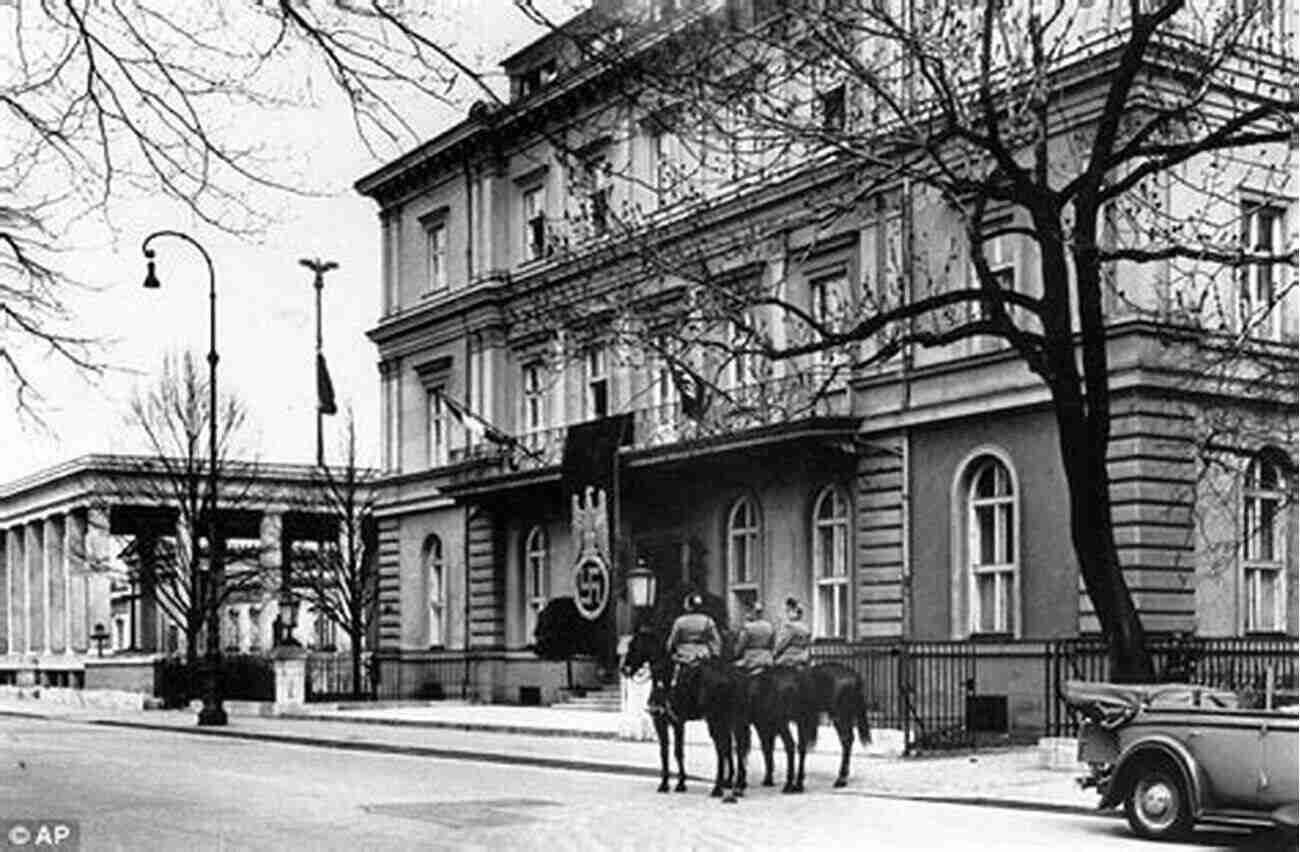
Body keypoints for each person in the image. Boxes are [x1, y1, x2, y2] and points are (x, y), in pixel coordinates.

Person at [665, 592, 722, 688]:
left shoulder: (680, 621)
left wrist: (669, 650)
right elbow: (716, 640)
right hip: (703, 654)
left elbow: (673, 640)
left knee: (674, 681)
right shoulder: (708, 620)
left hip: (683, 655)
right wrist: (715, 653)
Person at [733, 600, 774, 673]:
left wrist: (736, 653)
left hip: (751, 659)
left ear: (753, 612)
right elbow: (772, 644)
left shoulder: (748, 627)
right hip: (766, 659)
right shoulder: (769, 626)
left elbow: (741, 644)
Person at [772, 597, 811, 668]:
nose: (786, 614)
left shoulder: (790, 626)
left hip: (789, 659)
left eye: (787, 611)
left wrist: (774, 653)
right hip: (804, 657)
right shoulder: (805, 627)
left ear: (792, 610)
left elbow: (782, 644)